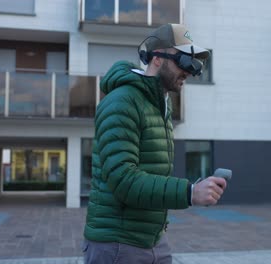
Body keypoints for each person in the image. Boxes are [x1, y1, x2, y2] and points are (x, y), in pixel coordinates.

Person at [83, 23, 228, 264]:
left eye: (195, 64)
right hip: (118, 244)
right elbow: (123, 180)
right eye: (184, 60)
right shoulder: (123, 102)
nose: (190, 71)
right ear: (157, 59)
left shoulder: (159, 105)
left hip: (152, 239)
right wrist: (190, 192)